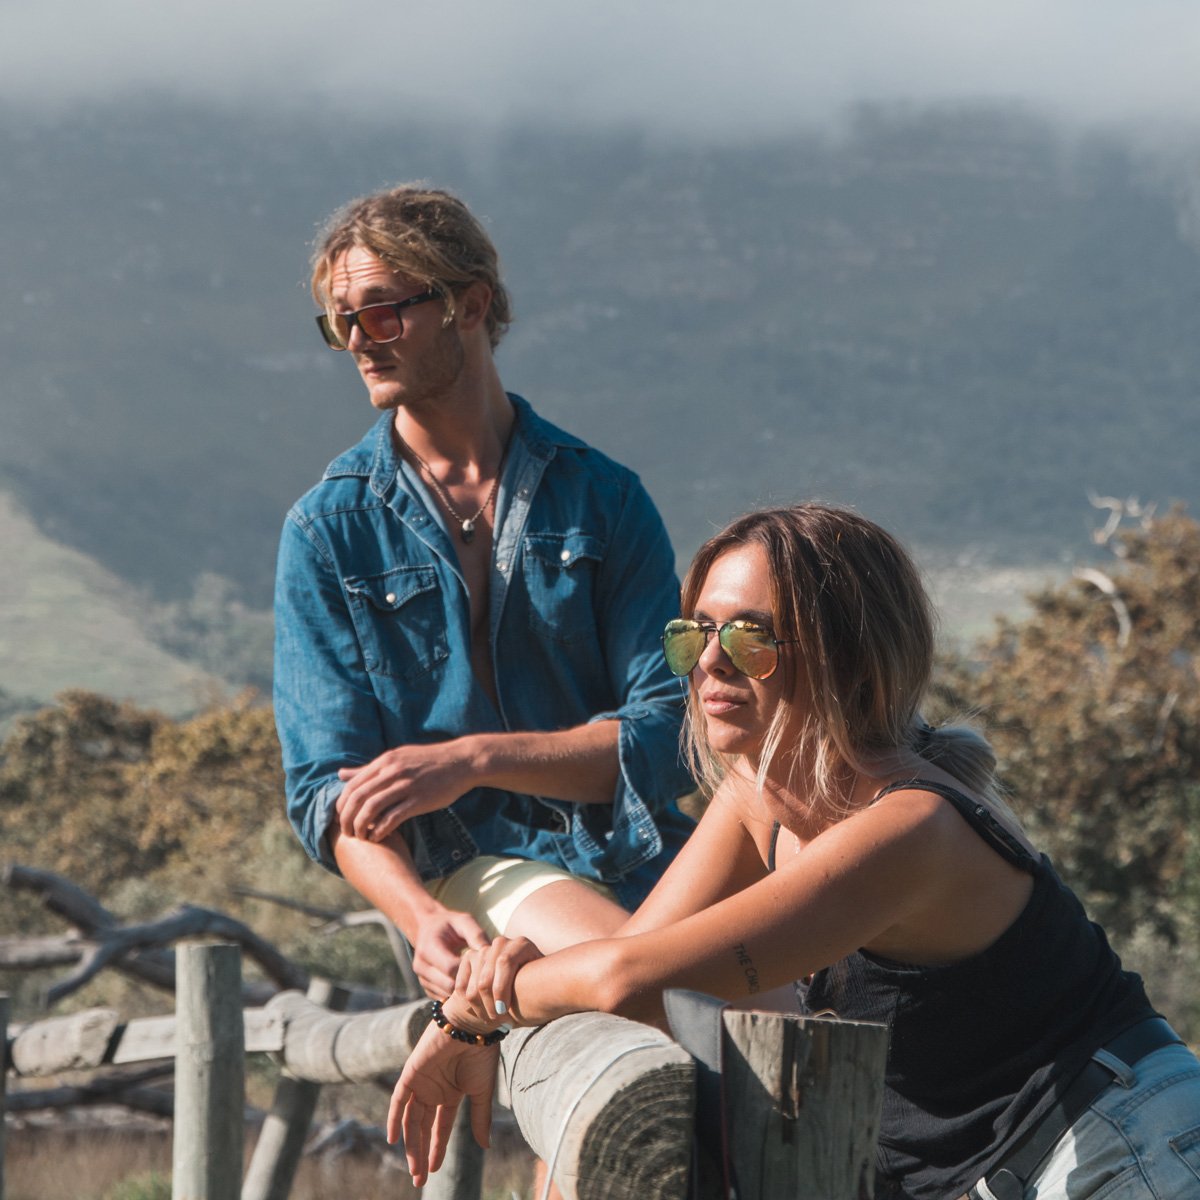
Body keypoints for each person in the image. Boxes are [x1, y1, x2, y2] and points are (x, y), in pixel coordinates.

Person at [389, 503, 1200, 1200]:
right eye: (694, 635)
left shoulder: (911, 829)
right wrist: (508, 978)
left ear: (847, 656)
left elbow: (628, 983)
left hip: (1124, 1154)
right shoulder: (757, 797)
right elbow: (631, 956)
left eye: (750, 637)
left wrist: (468, 1013)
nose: (709, 662)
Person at [273, 184, 695, 1002]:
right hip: (470, 866)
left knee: (795, 1007)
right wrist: (419, 916)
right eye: (341, 320)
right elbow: (326, 790)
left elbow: (667, 730)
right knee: (674, 995)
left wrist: (470, 761)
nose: (359, 340)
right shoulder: (328, 531)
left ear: (469, 305)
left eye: (382, 311)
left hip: (645, 856)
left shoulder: (604, 500)